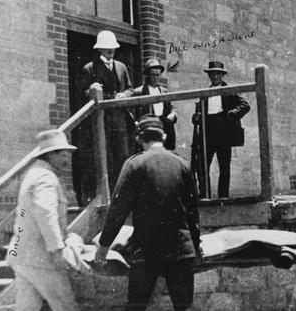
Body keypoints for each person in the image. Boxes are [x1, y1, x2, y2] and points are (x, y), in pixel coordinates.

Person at [95, 115, 201, 311]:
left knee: (136, 306)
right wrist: (195, 245)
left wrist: (104, 245)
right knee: (184, 308)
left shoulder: (134, 165)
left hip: (146, 249)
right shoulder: (183, 165)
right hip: (180, 248)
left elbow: (118, 209)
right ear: (165, 136)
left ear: (139, 139)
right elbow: (193, 212)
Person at [6, 130, 79, 311]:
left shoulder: (34, 174)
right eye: (62, 154)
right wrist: (57, 251)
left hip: (23, 256)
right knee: (66, 305)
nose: (67, 159)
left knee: (27, 308)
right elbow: (46, 215)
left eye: (68, 154)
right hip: (42, 258)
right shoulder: (45, 178)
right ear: (50, 155)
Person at [74, 30, 136, 204]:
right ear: (100, 49)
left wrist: (125, 94)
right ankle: (106, 199)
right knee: (104, 157)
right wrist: (91, 90)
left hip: (120, 120)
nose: (110, 51)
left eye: (113, 48)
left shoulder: (122, 67)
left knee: (122, 157)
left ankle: (123, 197)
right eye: (107, 48)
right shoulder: (89, 68)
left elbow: (130, 88)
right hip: (101, 121)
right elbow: (81, 94)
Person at [191, 61, 250, 198]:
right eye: (212, 74)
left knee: (224, 166)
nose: (215, 76)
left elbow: (245, 105)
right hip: (208, 132)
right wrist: (196, 118)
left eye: (217, 74)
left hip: (224, 131)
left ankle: (223, 197)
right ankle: (205, 195)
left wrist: (233, 113)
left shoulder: (229, 91)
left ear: (222, 75)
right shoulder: (205, 93)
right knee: (203, 165)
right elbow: (200, 113)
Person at [129, 58, 178, 150]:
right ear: (147, 75)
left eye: (157, 75)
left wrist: (173, 114)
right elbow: (131, 110)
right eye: (152, 75)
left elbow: (171, 107)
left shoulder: (164, 91)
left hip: (164, 125)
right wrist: (135, 122)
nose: (155, 78)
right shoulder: (139, 91)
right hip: (149, 125)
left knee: (166, 151)